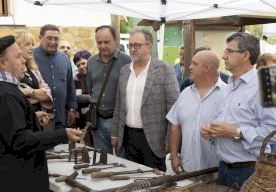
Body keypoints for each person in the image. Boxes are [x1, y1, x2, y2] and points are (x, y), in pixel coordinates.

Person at [0, 35, 82, 192]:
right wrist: (63, 134)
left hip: (3, 182)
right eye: (18, 57)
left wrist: (31, 117)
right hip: (14, 185)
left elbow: (4, 128)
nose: (23, 61)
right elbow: (21, 141)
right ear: (3, 63)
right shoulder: (4, 93)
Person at [201, 32, 276, 189]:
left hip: (250, 170)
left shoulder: (266, 84)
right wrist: (213, 132)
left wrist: (236, 132)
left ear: (246, 55)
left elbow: (272, 133)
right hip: (224, 167)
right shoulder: (230, 84)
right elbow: (229, 121)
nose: (223, 56)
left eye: (229, 51)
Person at [111, 29, 179, 171]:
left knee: (154, 184)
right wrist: (115, 133)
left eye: (137, 45)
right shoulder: (124, 71)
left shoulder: (164, 70)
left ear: (149, 46)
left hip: (153, 139)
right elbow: (119, 105)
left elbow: (174, 108)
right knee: (132, 180)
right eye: (130, 45)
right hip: (128, 137)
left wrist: (169, 141)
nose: (133, 49)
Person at [166, 50, 225, 173]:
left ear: (206, 68)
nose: (189, 67)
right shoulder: (185, 93)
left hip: (218, 171)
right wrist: (174, 155)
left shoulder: (228, 94)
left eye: (194, 64)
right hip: (188, 169)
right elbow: (175, 125)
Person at [87, 25, 131, 154]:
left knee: (122, 160)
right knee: (101, 160)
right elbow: (91, 89)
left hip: (118, 122)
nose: (102, 46)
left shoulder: (127, 61)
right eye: (99, 42)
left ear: (115, 40)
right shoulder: (91, 62)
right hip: (97, 121)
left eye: (106, 42)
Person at [34, 24, 77, 129]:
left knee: (62, 145)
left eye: (56, 39)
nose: (53, 42)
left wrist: (72, 108)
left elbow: (70, 85)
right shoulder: (32, 57)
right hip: (41, 119)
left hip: (61, 116)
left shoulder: (64, 59)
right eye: (49, 38)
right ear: (40, 38)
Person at [15, 31, 54, 113]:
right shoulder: (12, 70)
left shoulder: (33, 69)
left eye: (32, 44)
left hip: (39, 116)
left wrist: (31, 92)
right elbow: (16, 95)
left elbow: (48, 93)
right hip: (22, 115)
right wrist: (38, 95)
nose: (32, 48)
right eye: (27, 44)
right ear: (17, 47)